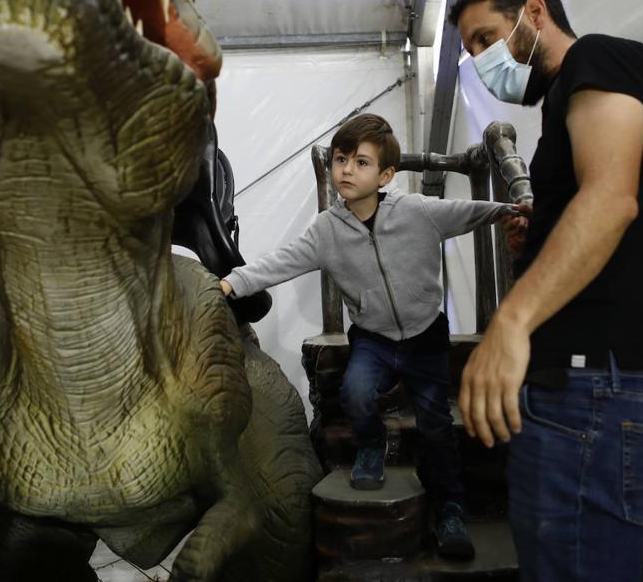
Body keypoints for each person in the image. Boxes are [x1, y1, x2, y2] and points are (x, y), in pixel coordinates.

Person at [450, 0, 643, 581]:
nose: (479, 60)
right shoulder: (564, 99)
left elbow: (611, 200)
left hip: (594, 392)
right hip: (587, 392)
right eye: (469, 50)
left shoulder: (602, 59)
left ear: (534, 13)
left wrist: (511, 321)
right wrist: (548, 233)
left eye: (485, 38)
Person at [220, 113, 519, 560]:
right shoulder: (326, 231)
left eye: (361, 162)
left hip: (424, 337)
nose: (345, 170)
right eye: (341, 159)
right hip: (374, 337)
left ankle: (451, 508)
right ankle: (372, 445)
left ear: (385, 175)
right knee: (357, 392)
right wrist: (231, 283)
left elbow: (468, 212)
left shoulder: (417, 212)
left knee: (437, 425)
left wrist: (509, 211)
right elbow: (279, 262)